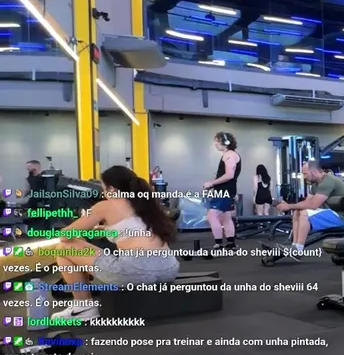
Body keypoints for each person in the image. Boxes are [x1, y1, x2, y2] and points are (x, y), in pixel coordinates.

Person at [48, 165, 180, 322]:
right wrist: (104, 230)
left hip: (135, 271)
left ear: (111, 189)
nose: (103, 193)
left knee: (64, 248)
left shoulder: (105, 206)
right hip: (169, 269)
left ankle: (83, 307)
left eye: (103, 188)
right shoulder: (145, 204)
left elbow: (65, 235)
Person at [275, 160, 344, 260]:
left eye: (305, 174)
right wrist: (290, 206)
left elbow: (313, 205)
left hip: (341, 216)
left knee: (304, 213)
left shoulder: (328, 181)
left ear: (314, 171)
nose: (304, 177)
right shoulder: (315, 185)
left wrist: (289, 206)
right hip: (329, 212)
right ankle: (294, 246)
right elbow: (307, 202)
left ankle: (298, 249)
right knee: (298, 212)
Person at [203, 132, 242, 251]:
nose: (215, 144)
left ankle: (218, 244)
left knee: (212, 216)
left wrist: (212, 183)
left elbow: (230, 175)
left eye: (218, 141)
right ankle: (231, 244)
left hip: (224, 191)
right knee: (225, 217)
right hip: (227, 190)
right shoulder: (229, 155)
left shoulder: (229, 155)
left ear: (226, 142)